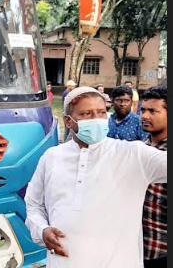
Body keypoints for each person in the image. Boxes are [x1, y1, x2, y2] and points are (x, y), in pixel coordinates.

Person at [24, 86, 167, 267]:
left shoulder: (132, 154)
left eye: (101, 112)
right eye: (87, 114)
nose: (97, 119)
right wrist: (42, 230)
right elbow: (34, 204)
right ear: (68, 121)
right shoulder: (52, 157)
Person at [140, 86, 167, 268]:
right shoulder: (141, 148)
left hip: (162, 251)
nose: (144, 116)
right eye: (143, 110)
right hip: (138, 250)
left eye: (152, 111)